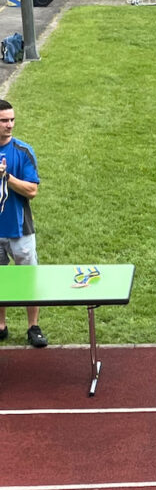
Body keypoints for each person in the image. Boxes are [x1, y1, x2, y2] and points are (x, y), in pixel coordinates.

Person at [0, 98, 46, 347]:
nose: (10, 125)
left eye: (12, 120)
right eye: (4, 120)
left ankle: (33, 326)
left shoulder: (23, 151)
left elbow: (32, 190)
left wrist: (6, 177)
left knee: (28, 278)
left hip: (20, 229)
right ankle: (1, 325)